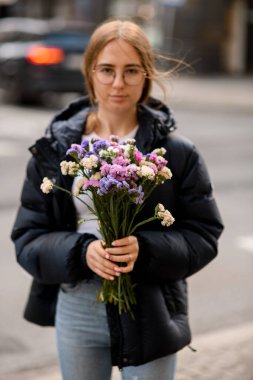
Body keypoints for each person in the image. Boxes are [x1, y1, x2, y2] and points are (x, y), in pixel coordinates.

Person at [11, 19, 224, 380]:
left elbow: (203, 234)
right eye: (107, 70)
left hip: (150, 310)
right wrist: (81, 251)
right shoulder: (56, 149)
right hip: (77, 306)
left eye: (131, 71)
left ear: (147, 75)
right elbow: (28, 238)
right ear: (90, 71)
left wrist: (146, 248)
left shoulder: (177, 153)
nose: (118, 83)